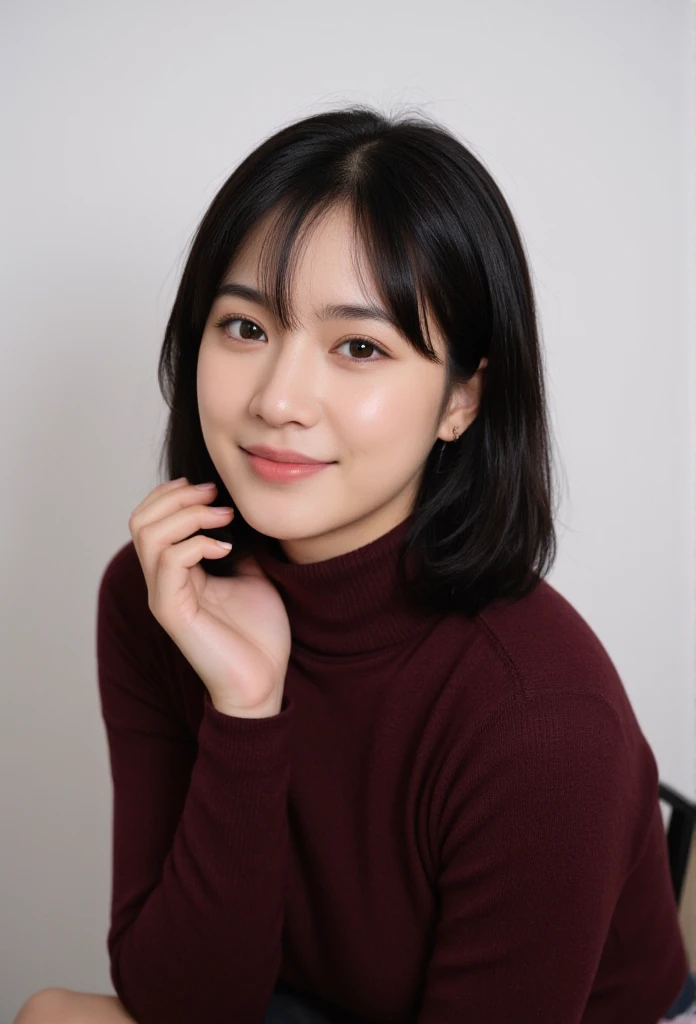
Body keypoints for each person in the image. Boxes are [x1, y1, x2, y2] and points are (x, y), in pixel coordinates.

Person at [13, 104, 692, 1024]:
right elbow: (183, 1006)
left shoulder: (543, 717)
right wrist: (246, 707)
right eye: (245, 328)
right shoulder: (159, 599)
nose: (279, 398)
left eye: (360, 347)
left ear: (461, 400)